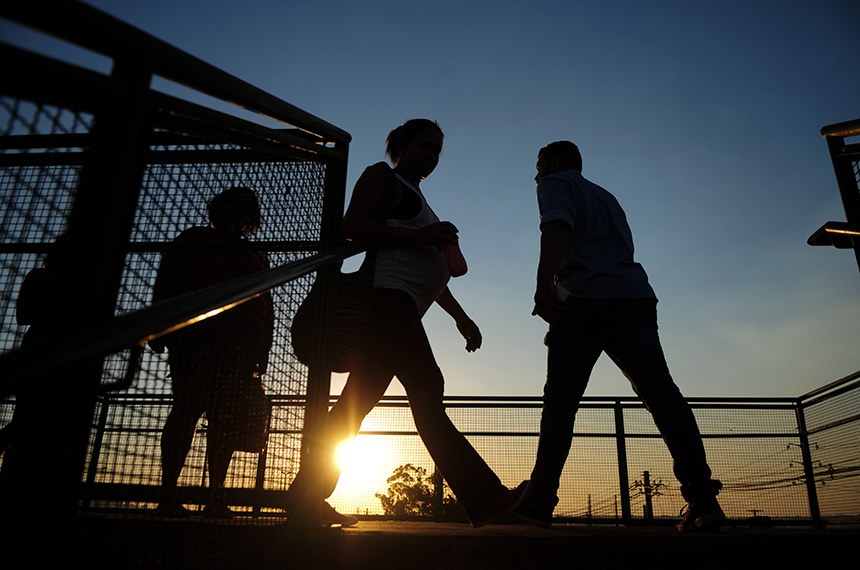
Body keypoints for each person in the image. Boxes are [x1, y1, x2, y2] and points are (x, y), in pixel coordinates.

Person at [285, 119, 527, 528]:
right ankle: (485, 498)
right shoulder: (382, 176)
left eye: (436, 150)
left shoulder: (419, 197)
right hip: (386, 302)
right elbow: (354, 226)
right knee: (428, 389)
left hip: (402, 309)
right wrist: (424, 236)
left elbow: (429, 273)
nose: (430, 156)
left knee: (352, 408)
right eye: (423, 147)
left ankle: (304, 499)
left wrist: (461, 318)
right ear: (400, 146)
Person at [514, 140, 725, 532]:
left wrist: (545, 284)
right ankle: (703, 500)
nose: (536, 173)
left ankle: (540, 501)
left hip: (584, 300)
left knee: (561, 404)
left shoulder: (555, 183)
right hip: (634, 298)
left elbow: (556, 227)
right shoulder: (607, 197)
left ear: (555, 162)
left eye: (539, 164)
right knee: (663, 397)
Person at [151, 186, 274, 518]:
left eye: (244, 210)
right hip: (197, 337)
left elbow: (266, 302)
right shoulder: (195, 239)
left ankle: (215, 495)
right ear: (219, 210)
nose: (238, 216)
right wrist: (158, 325)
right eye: (232, 207)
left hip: (240, 341)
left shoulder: (256, 254)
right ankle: (168, 493)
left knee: (223, 419)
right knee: (187, 410)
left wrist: (263, 346)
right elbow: (168, 279)